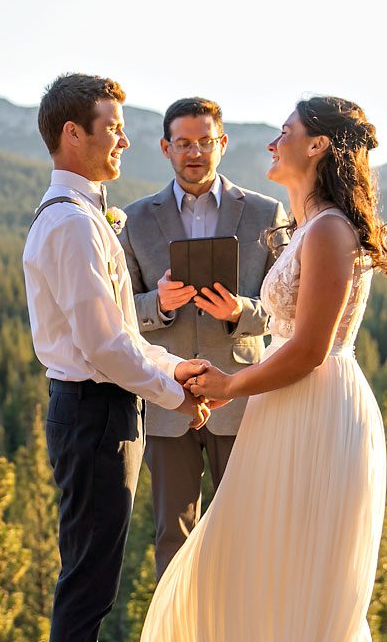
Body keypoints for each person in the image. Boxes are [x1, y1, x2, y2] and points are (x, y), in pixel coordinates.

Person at [136, 95, 387, 642]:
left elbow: (311, 350)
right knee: (260, 559)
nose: (273, 142)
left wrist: (229, 383)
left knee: (305, 566)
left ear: (317, 148)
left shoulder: (328, 232)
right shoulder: (310, 227)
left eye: (286, 132)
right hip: (285, 409)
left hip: (314, 408)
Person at [21, 73, 214, 642]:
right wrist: (172, 389)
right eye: (113, 126)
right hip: (93, 410)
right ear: (74, 134)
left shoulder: (83, 216)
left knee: (93, 578)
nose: (124, 139)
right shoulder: (70, 224)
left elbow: (124, 333)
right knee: (87, 581)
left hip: (103, 407)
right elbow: (104, 348)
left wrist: (176, 365)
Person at [120, 97, 289, 578]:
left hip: (240, 396)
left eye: (204, 141)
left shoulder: (264, 211)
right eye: (183, 143)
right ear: (165, 148)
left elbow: (284, 311)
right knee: (173, 538)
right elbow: (117, 313)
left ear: (223, 144)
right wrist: (159, 303)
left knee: (250, 528)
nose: (194, 152)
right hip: (168, 400)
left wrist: (240, 311)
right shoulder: (134, 219)